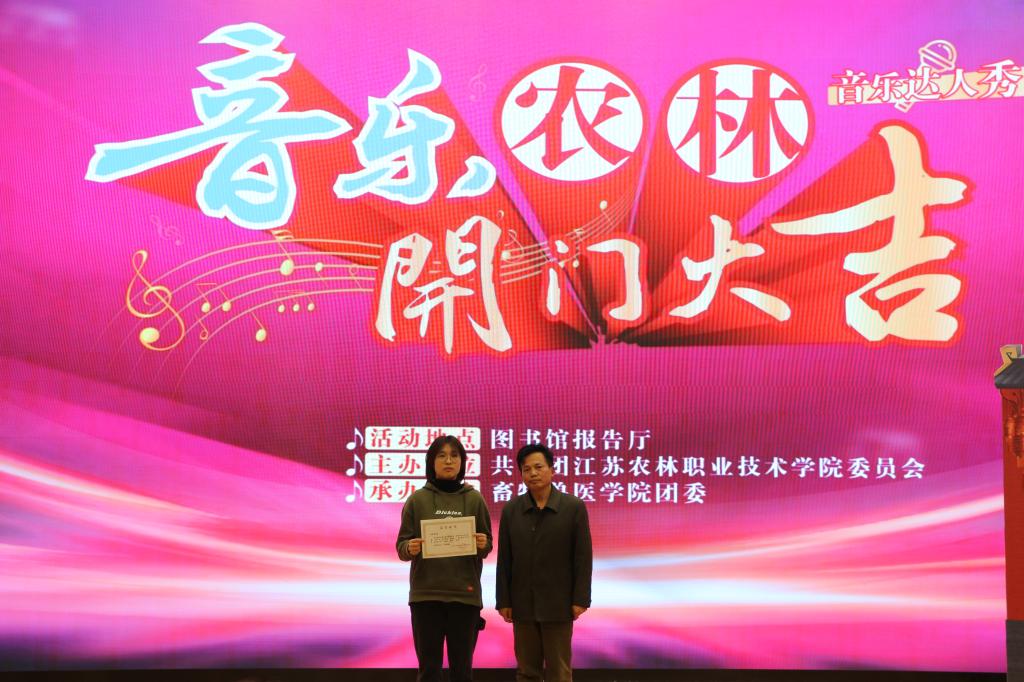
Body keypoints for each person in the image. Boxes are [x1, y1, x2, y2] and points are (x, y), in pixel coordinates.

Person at [396, 435, 492, 682]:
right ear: (431, 462)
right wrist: (410, 547)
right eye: (442, 456)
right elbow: (401, 547)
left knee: (462, 671)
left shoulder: (475, 499)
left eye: (454, 456)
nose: (448, 461)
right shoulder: (417, 500)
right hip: (426, 597)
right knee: (429, 671)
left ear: (462, 462)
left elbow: (487, 545)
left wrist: (483, 543)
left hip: (465, 596)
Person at [495, 443, 593, 682]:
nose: (533, 473)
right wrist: (504, 600)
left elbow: (582, 557)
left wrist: (580, 599)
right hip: (522, 604)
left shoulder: (573, 507)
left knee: (559, 671)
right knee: (527, 671)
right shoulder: (511, 510)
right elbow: (504, 560)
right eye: (526, 469)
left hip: (559, 604)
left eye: (538, 467)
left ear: (552, 469)